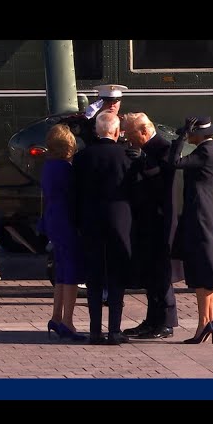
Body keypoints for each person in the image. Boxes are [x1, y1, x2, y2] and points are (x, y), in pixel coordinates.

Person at [166, 116, 213, 344]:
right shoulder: (210, 151)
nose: (188, 136)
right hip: (204, 212)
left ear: (199, 135)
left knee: (202, 269)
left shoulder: (205, 152)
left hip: (199, 215)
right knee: (205, 268)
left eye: (191, 133)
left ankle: (204, 322)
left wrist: (179, 139)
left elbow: (174, 162)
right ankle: (208, 320)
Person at [72, 112, 134, 345]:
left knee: (94, 277)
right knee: (117, 276)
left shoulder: (82, 157)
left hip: (90, 221)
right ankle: (115, 330)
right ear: (117, 132)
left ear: (97, 131)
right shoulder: (126, 156)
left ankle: (95, 330)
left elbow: (75, 193)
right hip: (120, 221)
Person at [121, 112, 179, 339]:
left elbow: (165, 184)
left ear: (144, 131)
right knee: (151, 275)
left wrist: (144, 163)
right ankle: (152, 319)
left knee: (162, 275)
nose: (128, 139)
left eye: (131, 134)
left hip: (160, 221)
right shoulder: (145, 149)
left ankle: (166, 322)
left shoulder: (163, 148)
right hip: (145, 220)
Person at [40, 124, 86, 341]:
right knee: (71, 273)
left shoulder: (48, 167)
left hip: (53, 220)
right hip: (67, 221)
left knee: (60, 271)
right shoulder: (67, 170)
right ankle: (68, 321)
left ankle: (56, 316)